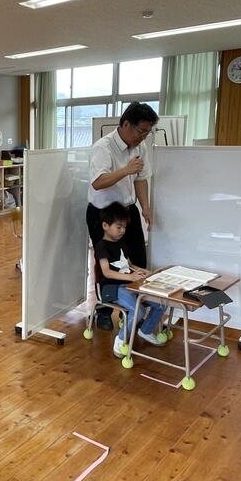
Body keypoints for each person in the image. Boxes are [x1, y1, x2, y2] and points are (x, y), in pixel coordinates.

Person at [87, 102, 159, 330]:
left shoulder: (140, 146)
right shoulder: (103, 147)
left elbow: (141, 178)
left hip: (128, 210)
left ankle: (133, 309)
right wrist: (126, 170)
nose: (143, 136)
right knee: (107, 263)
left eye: (147, 132)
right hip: (103, 214)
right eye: (141, 131)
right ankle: (104, 311)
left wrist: (145, 208)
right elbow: (98, 182)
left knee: (137, 259)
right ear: (126, 124)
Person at [93, 203, 167, 357]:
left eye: (124, 227)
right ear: (105, 226)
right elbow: (107, 272)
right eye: (119, 227)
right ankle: (121, 339)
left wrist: (149, 273)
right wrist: (130, 277)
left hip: (129, 285)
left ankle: (145, 331)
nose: (122, 230)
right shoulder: (101, 246)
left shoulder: (121, 243)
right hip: (112, 289)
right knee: (138, 310)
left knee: (161, 303)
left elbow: (129, 265)